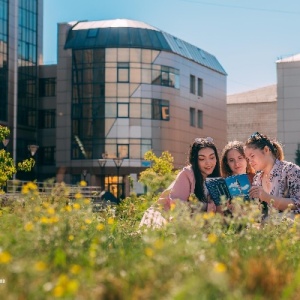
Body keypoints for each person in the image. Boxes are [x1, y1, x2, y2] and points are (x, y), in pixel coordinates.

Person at [139, 137, 222, 228]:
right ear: (195, 160)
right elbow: (177, 208)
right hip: (165, 218)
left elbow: (217, 215)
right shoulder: (187, 174)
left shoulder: (216, 181)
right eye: (202, 159)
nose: (208, 163)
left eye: (212, 157)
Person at [244, 132, 300, 218]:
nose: (250, 162)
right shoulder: (257, 179)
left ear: (266, 150)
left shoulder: (290, 170)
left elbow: (298, 203)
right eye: (248, 159)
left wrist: (267, 197)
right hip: (267, 230)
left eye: (252, 156)